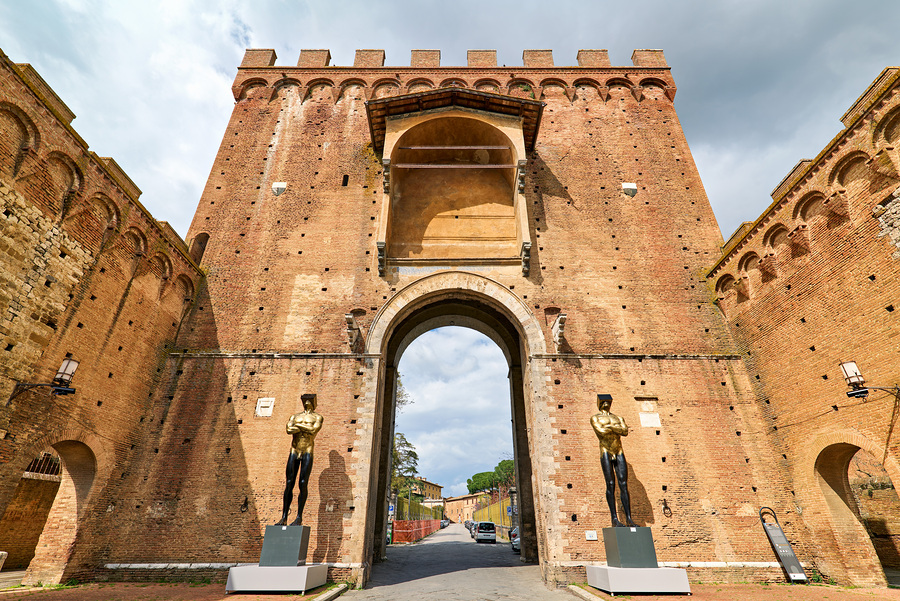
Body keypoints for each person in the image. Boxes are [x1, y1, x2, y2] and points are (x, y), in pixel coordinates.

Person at [275, 393, 324, 526]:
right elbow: (288, 429)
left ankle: (299, 517)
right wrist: (305, 428)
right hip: (294, 450)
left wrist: (298, 427)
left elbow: (313, 431)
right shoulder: (295, 416)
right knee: (289, 483)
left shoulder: (318, 417)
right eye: (305, 400)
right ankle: (284, 517)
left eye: (309, 400)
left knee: (303, 483)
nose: (307, 402)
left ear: (314, 402)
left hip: (307, 450)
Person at [590, 394, 637, 527]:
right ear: (600, 404)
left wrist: (610, 428)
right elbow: (601, 431)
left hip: (618, 450)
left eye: (608, 401)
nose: (606, 403)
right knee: (610, 483)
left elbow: (625, 431)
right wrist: (616, 429)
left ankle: (629, 519)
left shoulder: (618, 417)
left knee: (623, 484)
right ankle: (614, 518)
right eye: (603, 401)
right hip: (605, 450)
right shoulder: (595, 418)